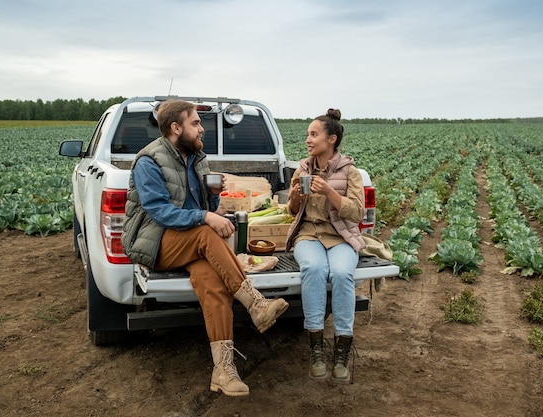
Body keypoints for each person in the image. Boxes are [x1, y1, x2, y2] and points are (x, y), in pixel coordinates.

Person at [121, 99, 288, 397]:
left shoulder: (198, 159)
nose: (202, 130)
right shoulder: (149, 161)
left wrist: (213, 197)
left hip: (189, 241)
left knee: (212, 282)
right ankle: (256, 303)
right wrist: (206, 216)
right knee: (206, 233)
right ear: (176, 128)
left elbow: (203, 208)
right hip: (156, 241)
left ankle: (223, 371)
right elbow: (160, 212)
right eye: (196, 123)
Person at [285, 108, 365, 384]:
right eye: (308, 134)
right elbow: (292, 211)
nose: (308, 139)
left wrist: (329, 191)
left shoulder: (350, 172)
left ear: (331, 139)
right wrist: (294, 197)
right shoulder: (303, 168)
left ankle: (342, 349)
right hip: (308, 235)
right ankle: (316, 347)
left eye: (313, 134)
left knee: (342, 274)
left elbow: (356, 213)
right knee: (314, 268)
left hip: (340, 236)